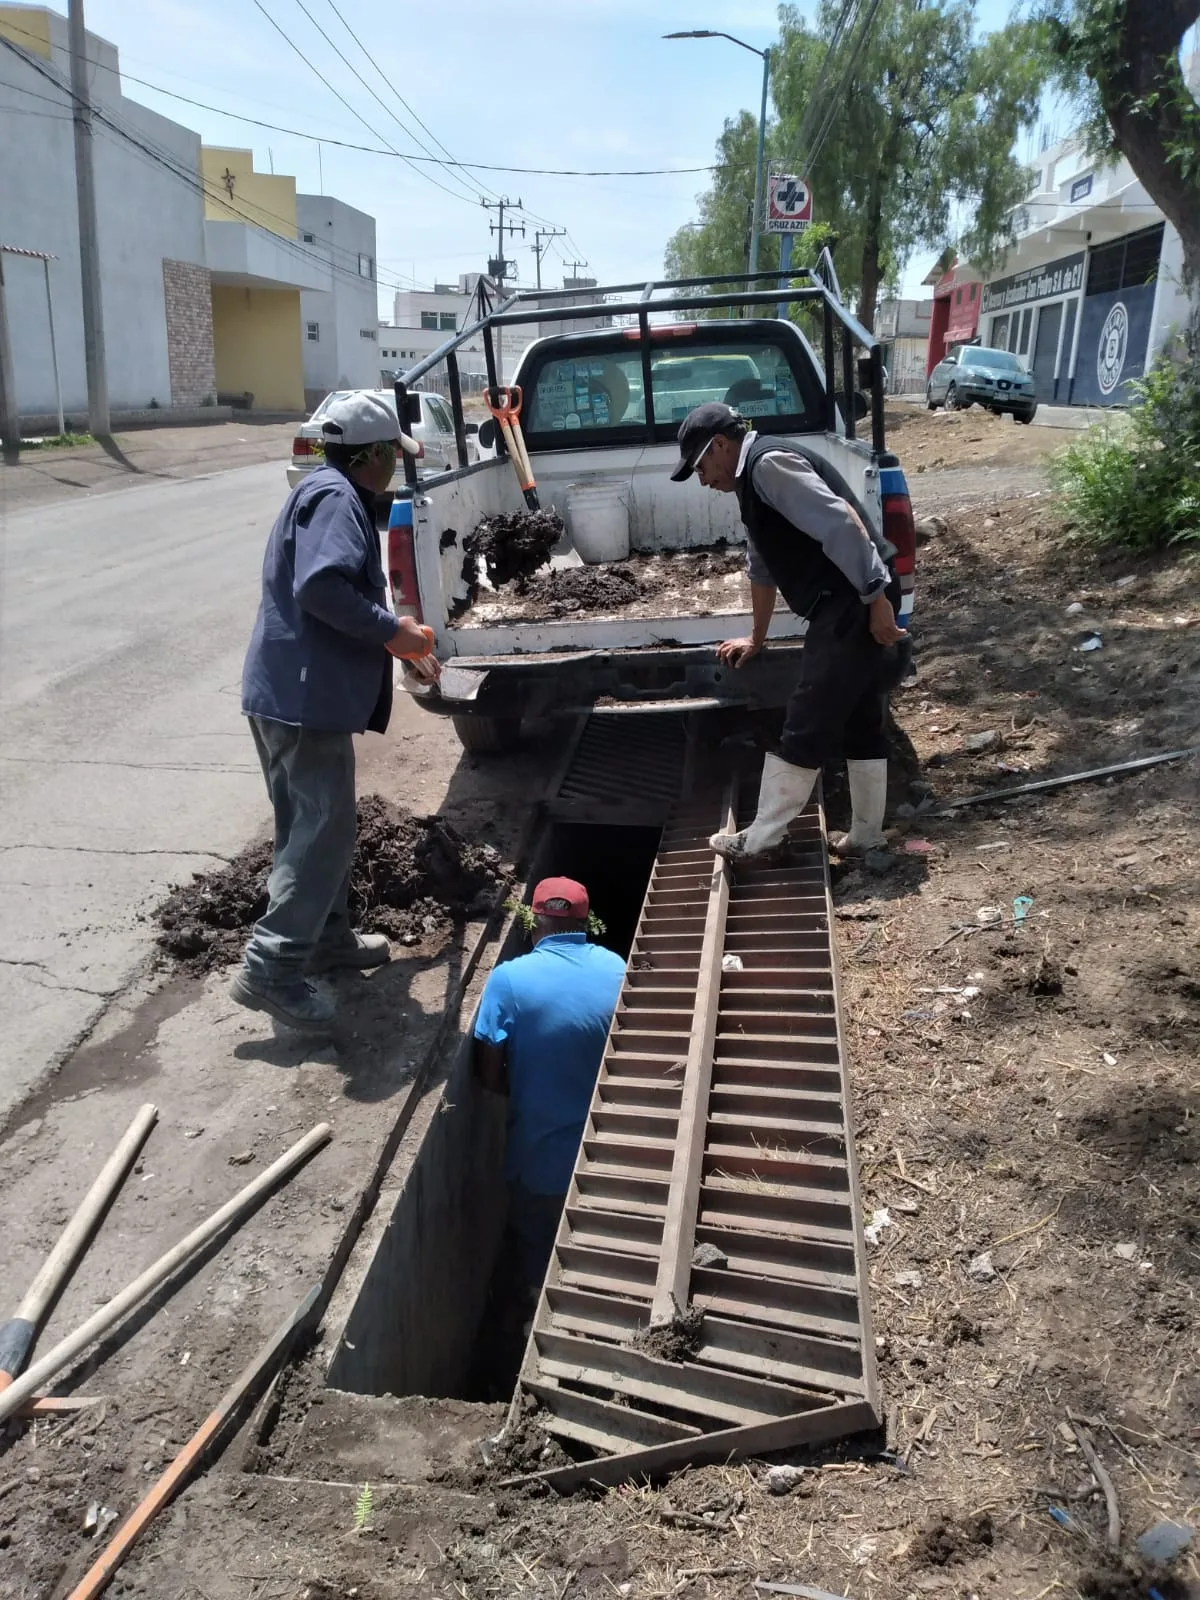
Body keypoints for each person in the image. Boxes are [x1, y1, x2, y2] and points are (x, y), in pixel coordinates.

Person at [231, 392, 440, 1033]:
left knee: (311, 828)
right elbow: (321, 585)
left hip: (288, 694)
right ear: (373, 455)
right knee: (323, 832)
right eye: (392, 460)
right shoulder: (337, 499)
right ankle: (271, 967)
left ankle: (326, 940)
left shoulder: (323, 490)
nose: (395, 472)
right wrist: (394, 633)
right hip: (302, 700)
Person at [670, 401, 909, 860]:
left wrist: (876, 599)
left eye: (700, 467)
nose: (702, 479)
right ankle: (865, 837)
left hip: (854, 597)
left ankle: (762, 838)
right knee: (860, 715)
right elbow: (762, 565)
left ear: (721, 446)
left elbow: (842, 522)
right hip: (851, 597)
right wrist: (757, 638)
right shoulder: (749, 485)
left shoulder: (769, 466)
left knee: (808, 715)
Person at [473, 878, 625, 1303]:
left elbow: (487, 1072)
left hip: (541, 1165)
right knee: (606, 1254)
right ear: (585, 921)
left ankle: (535, 1315)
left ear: (534, 919)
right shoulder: (618, 969)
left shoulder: (509, 980)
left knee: (542, 1256)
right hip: (610, 1157)